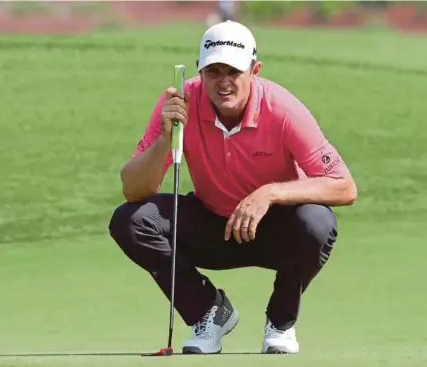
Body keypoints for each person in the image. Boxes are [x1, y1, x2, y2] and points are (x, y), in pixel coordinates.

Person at [109, 20, 357, 355]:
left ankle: (281, 322)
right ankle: (208, 312)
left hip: (274, 231)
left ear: (255, 70)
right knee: (131, 219)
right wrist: (166, 140)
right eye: (213, 72)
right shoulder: (179, 105)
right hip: (212, 227)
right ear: (199, 70)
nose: (223, 83)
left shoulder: (283, 109)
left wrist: (269, 193)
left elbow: (344, 187)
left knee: (317, 222)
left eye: (234, 72)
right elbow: (134, 191)